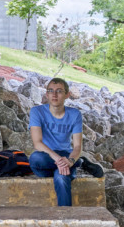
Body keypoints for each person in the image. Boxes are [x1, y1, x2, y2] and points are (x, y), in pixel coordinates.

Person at [28, 77, 103, 206]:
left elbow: (78, 146)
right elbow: (38, 143)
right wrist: (59, 160)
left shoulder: (74, 114)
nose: (54, 94)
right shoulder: (37, 112)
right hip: (46, 156)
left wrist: (69, 161)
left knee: (62, 178)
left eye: (59, 91)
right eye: (51, 90)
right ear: (46, 94)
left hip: (66, 156)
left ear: (67, 95)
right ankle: (79, 162)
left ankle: (65, 218)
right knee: (35, 158)